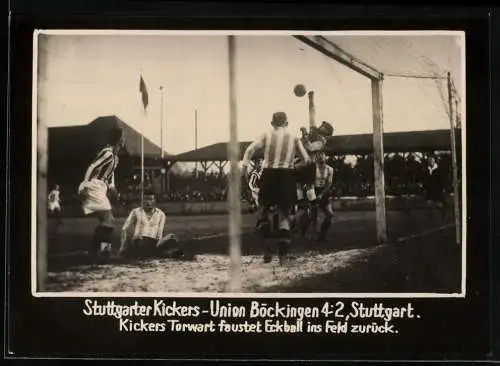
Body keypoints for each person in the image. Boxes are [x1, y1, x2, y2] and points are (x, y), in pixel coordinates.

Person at [242, 111, 311, 264]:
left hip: (268, 175)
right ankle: (283, 258)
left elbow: (250, 150)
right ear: (286, 123)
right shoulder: (293, 138)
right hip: (286, 176)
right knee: (284, 216)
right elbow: (307, 160)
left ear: (272, 123)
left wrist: (245, 167)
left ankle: (267, 250)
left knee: (263, 213)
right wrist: (292, 167)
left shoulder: (266, 135)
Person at [78, 127, 124, 261]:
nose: (124, 139)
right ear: (119, 139)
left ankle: (94, 251)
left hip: (100, 186)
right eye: (123, 137)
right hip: (94, 185)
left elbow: (109, 174)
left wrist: (112, 187)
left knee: (106, 220)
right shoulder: (108, 153)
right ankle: (103, 252)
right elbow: (92, 167)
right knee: (108, 219)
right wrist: (85, 185)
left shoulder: (115, 157)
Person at [118, 190, 185, 259]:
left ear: (154, 200)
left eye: (150, 199)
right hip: (138, 242)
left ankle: (172, 253)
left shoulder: (161, 214)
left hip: (154, 243)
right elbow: (125, 229)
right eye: (145, 199)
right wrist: (123, 246)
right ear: (142, 200)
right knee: (139, 240)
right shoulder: (135, 212)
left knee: (172, 236)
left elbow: (159, 234)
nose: (148, 202)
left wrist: (163, 241)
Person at [307, 152, 335, 242]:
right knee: (313, 216)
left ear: (325, 157)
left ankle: (322, 235)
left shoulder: (330, 169)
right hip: (313, 190)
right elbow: (309, 183)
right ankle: (312, 236)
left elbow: (328, 184)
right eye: (319, 156)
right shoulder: (313, 168)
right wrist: (313, 195)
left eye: (323, 156)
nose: (321, 158)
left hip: (323, 192)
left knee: (329, 214)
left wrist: (321, 195)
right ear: (316, 158)